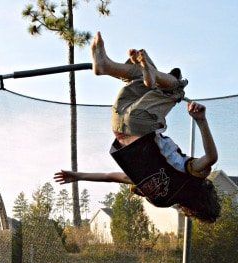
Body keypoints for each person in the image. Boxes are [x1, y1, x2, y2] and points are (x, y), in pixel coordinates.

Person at [54, 32, 220, 223]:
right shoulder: (159, 199)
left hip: (142, 123)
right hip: (119, 126)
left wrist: (201, 120)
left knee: (176, 87)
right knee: (145, 78)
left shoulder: (192, 175)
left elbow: (211, 157)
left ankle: (149, 76)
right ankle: (108, 67)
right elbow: (117, 177)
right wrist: (78, 176)